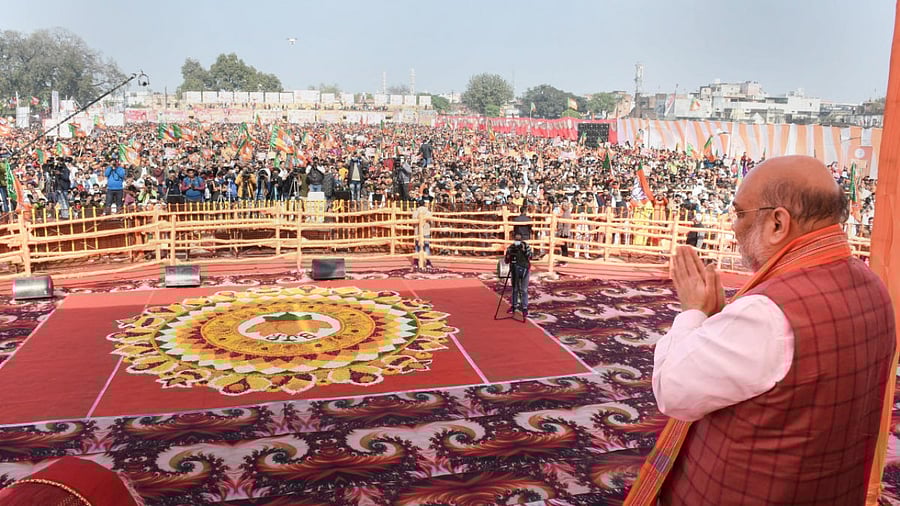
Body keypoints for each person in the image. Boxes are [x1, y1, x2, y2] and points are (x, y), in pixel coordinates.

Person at [630, 156, 896, 505]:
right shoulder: (873, 287)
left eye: (740, 214)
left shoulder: (767, 314)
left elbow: (673, 391)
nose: (734, 226)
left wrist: (694, 313)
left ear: (777, 223)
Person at [504, 230, 533, 317]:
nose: (518, 242)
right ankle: (514, 306)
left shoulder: (526, 246)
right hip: (514, 270)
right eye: (516, 240)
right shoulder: (511, 247)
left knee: (524, 290)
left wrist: (524, 250)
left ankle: (524, 308)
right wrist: (509, 255)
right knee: (515, 289)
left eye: (519, 240)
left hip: (525, 269)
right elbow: (506, 261)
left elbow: (531, 256)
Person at [411, 198, 433, 269]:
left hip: (417, 232)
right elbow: (432, 222)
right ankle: (428, 262)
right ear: (424, 204)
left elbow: (413, 223)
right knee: (426, 246)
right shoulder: (428, 212)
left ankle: (415, 262)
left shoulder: (415, 212)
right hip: (426, 231)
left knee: (417, 247)